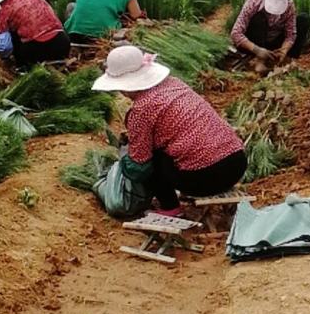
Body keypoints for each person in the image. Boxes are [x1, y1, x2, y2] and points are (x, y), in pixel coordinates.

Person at [93, 45, 247, 217]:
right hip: (237, 163)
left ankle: (170, 207)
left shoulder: (141, 109)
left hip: (206, 178)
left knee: (149, 159)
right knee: (167, 147)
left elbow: (139, 165)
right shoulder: (174, 83)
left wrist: (123, 163)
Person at [231, 0, 309, 68]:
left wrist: (284, 50)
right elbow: (235, 33)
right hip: (253, 42)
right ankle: (260, 61)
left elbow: (291, 34)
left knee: (303, 19)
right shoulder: (255, 0)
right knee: (259, 18)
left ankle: (285, 60)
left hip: (273, 42)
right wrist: (257, 50)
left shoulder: (289, 5)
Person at [0, 0, 71, 67]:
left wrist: (4, 58)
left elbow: (4, 47)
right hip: (62, 42)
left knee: (11, 33)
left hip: (35, 50)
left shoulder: (4, 12)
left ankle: (21, 68)